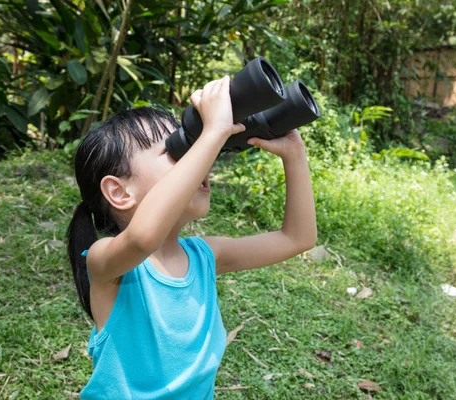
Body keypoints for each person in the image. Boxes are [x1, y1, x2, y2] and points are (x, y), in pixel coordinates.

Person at [66, 75, 317, 399]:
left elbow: (297, 238)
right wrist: (212, 133)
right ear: (119, 192)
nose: (199, 162)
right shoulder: (106, 262)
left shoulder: (204, 256)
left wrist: (294, 154)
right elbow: (143, 238)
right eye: (177, 149)